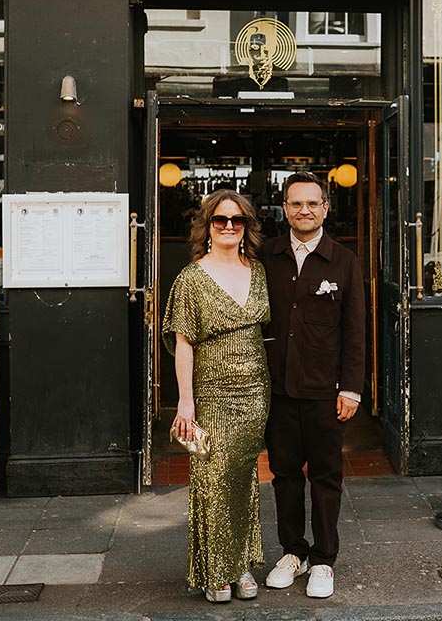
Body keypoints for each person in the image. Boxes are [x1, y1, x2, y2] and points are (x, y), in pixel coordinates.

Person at [162, 189, 270, 604]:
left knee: (243, 477)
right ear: (207, 226)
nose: (228, 226)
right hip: (211, 392)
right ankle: (215, 569)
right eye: (220, 220)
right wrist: (185, 402)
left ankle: (240, 563)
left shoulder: (258, 271)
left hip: (256, 390)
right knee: (213, 478)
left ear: (247, 227)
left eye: (237, 220)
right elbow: (184, 343)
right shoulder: (191, 277)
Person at [260, 171, 365, 599]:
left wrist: (351, 389)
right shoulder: (267, 256)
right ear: (285, 209)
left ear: (325, 208)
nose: (304, 210)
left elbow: (355, 330)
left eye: (312, 203)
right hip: (278, 389)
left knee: (325, 476)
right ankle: (293, 551)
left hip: (325, 390)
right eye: (295, 203)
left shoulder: (344, 261)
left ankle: (323, 559)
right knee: (284, 475)